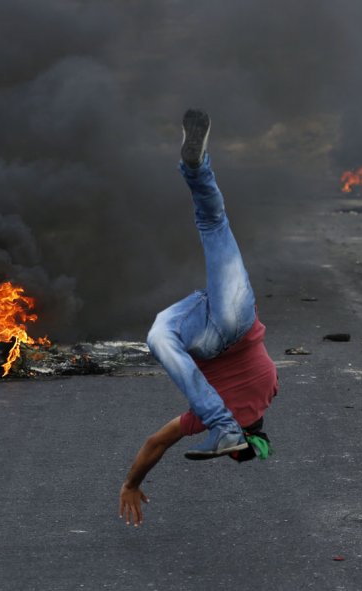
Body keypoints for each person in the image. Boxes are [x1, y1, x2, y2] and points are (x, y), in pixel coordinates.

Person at [118, 109, 279, 527]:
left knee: (213, 222)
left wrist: (245, 432)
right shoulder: (197, 419)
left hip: (235, 318)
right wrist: (130, 483)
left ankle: (196, 167)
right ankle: (222, 427)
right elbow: (156, 443)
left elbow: (262, 407)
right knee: (158, 336)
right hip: (206, 337)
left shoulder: (269, 390)